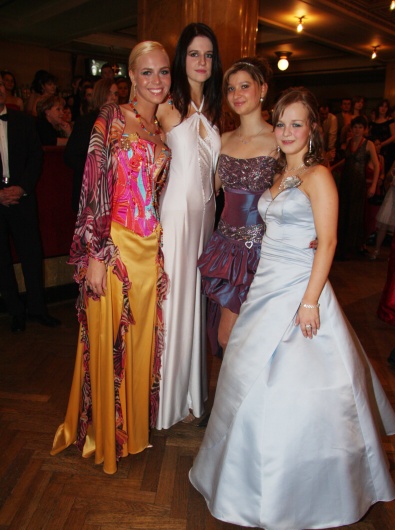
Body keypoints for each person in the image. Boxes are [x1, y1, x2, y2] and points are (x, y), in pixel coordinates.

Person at [189, 87, 395, 530]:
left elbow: (328, 242)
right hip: (266, 283)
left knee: (293, 385)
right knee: (244, 373)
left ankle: (300, 490)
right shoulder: (281, 172)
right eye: (281, 123)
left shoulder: (318, 175)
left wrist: (309, 301)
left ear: (312, 130)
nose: (286, 131)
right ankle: (240, 477)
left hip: (299, 290)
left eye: (296, 124)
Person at [50, 41, 171, 474]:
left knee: (139, 343)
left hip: (150, 249)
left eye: (163, 72)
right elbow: (94, 184)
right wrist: (96, 253)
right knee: (107, 340)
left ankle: (133, 430)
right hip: (114, 245)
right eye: (147, 72)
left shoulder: (161, 127)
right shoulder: (112, 117)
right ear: (131, 76)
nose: (156, 80)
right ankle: (105, 435)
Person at [155, 23, 222, 429]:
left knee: (196, 301)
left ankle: (193, 392)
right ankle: (165, 399)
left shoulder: (214, 109)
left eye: (208, 55)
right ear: (182, 58)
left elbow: (217, 175)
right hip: (176, 216)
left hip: (206, 217)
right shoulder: (165, 106)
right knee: (174, 302)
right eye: (195, 54)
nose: (202, 62)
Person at [198, 57, 278, 355]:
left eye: (245, 86)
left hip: (263, 252)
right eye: (231, 89)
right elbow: (207, 190)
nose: (237, 94)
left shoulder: (279, 139)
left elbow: (301, 190)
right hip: (226, 251)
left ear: (262, 89)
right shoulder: (223, 139)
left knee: (250, 339)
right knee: (226, 338)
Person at [0, 74, 60, 332]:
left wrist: (22, 187)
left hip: (22, 198)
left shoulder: (23, 122)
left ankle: (38, 309)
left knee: (32, 256)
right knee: (2, 261)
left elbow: (36, 158)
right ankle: (15, 312)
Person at [64, 79, 119, 212]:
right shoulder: (86, 122)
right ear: (100, 94)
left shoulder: (120, 122)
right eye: (109, 93)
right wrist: (96, 169)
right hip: (90, 190)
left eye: (116, 94)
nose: (113, 97)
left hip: (114, 190)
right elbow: (70, 156)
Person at [333, 115, 379, 259]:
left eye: (360, 127)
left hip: (359, 184)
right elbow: (346, 160)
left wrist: (373, 185)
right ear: (351, 129)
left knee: (355, 214)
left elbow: (377, 165)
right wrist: (332, 168)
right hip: (346, 181)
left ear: (364, 129)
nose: (357, 130)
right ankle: (342, 245)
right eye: (355, 127)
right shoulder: (349, 142)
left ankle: (352, 247)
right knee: (344, 212)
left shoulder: (369, 144)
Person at [369, 157, 395, 260]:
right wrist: (393, 177)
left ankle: (394, 254)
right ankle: (376, 250)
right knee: (384, 224)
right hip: (392, 195)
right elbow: (388, 176)